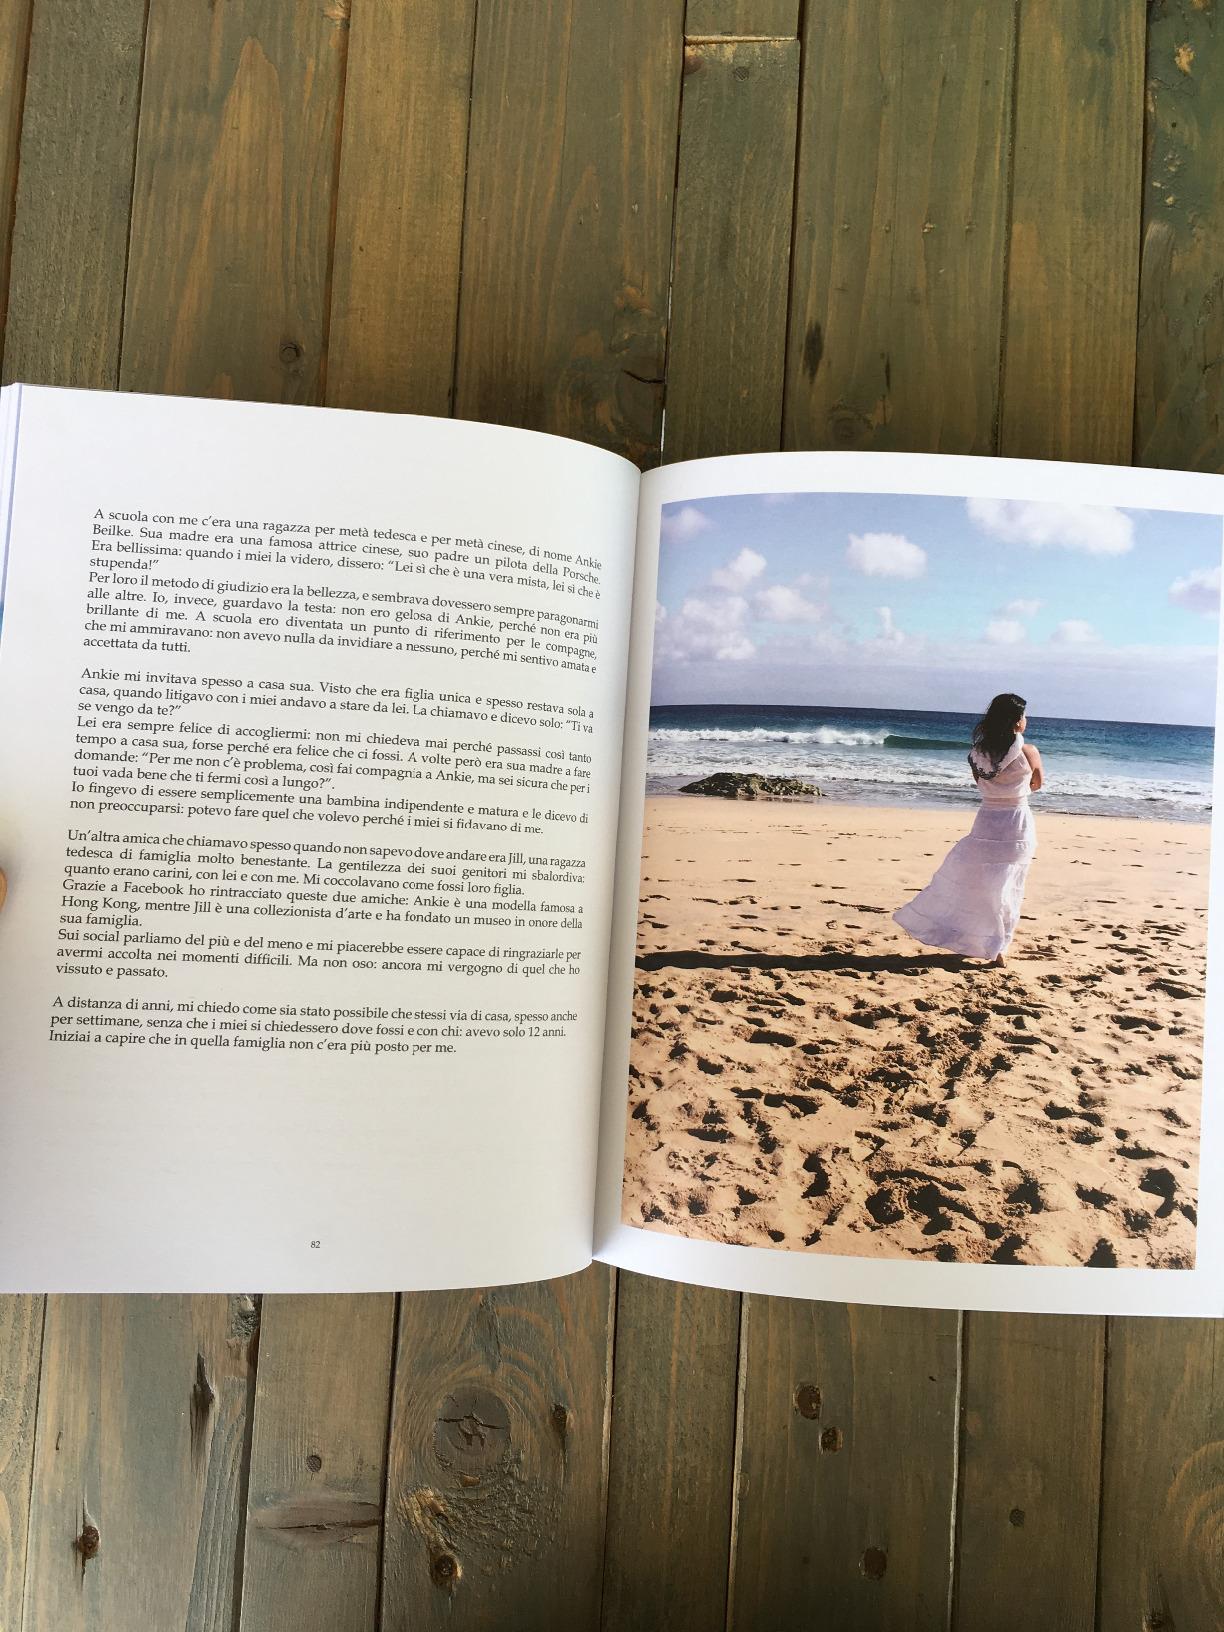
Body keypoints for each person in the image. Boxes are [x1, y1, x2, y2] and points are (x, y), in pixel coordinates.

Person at [893, 692, 1042, 967]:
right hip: (1016, 822)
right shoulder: (1029, 751)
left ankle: (983, 940)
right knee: (1009, 885)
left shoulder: (978, 754)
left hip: (987, 820)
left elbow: (982, 784)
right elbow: (1037, 784)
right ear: (1016, 720)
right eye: (1024, 715)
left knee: (984, 885)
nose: (1026, 719)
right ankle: (999, 947)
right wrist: (1016, 790)